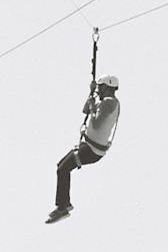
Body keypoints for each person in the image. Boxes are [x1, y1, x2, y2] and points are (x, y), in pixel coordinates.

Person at [47, 75, 120, 223]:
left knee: (63, 169)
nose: (99, 90)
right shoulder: (105, 102)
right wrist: (91, 93)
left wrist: (93, 105)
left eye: (100, 87)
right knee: (61, 166)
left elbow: (97, 123)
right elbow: (85, 110)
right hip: (90, 148)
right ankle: (64, 205)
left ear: (107, 87)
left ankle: (63, 207)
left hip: (91, 149)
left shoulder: (109, 102)